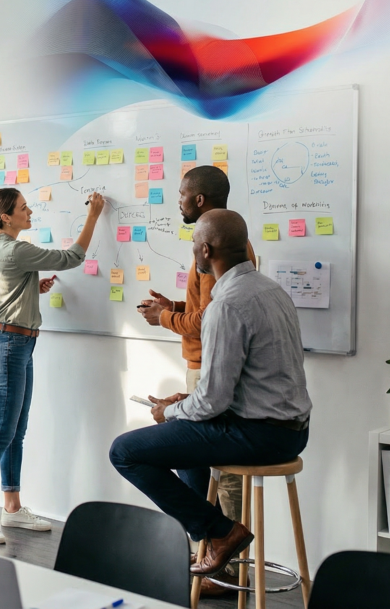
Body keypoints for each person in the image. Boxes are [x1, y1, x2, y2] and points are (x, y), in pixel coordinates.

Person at [109, 209, 312, 580]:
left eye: (192, 247)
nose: (192, 253)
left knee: (124, 451)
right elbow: (233, 387)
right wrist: (182, 404)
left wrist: (169, 413)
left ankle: (220, 533)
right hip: (293, 431)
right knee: (187, 437)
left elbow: (213, 401)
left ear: (205, 250)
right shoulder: (272, 289)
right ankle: (210, 535)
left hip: (260, 435)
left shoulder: (227, 305)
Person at [135, 165, 255, 594]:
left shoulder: (217, 249)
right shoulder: (217, 248)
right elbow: (205, 310)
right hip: (200, 367)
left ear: (200, 200)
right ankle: (210, 552)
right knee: (200, 471)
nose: (178, 200)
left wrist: (165, 317)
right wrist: (171, 306)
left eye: (183, 193)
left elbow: (210, 320)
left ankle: (225, 567)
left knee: (222, 479)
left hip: (211, 368)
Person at [0, 187, 106, 544]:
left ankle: (11, 508)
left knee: (14, 430)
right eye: (24, 209)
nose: (30, 213)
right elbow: (72, 257)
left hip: (13, 344)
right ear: (5, 217)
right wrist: (93, 216)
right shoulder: (14, 249)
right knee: (2, 430)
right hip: (10, 347)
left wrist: (27, 290)